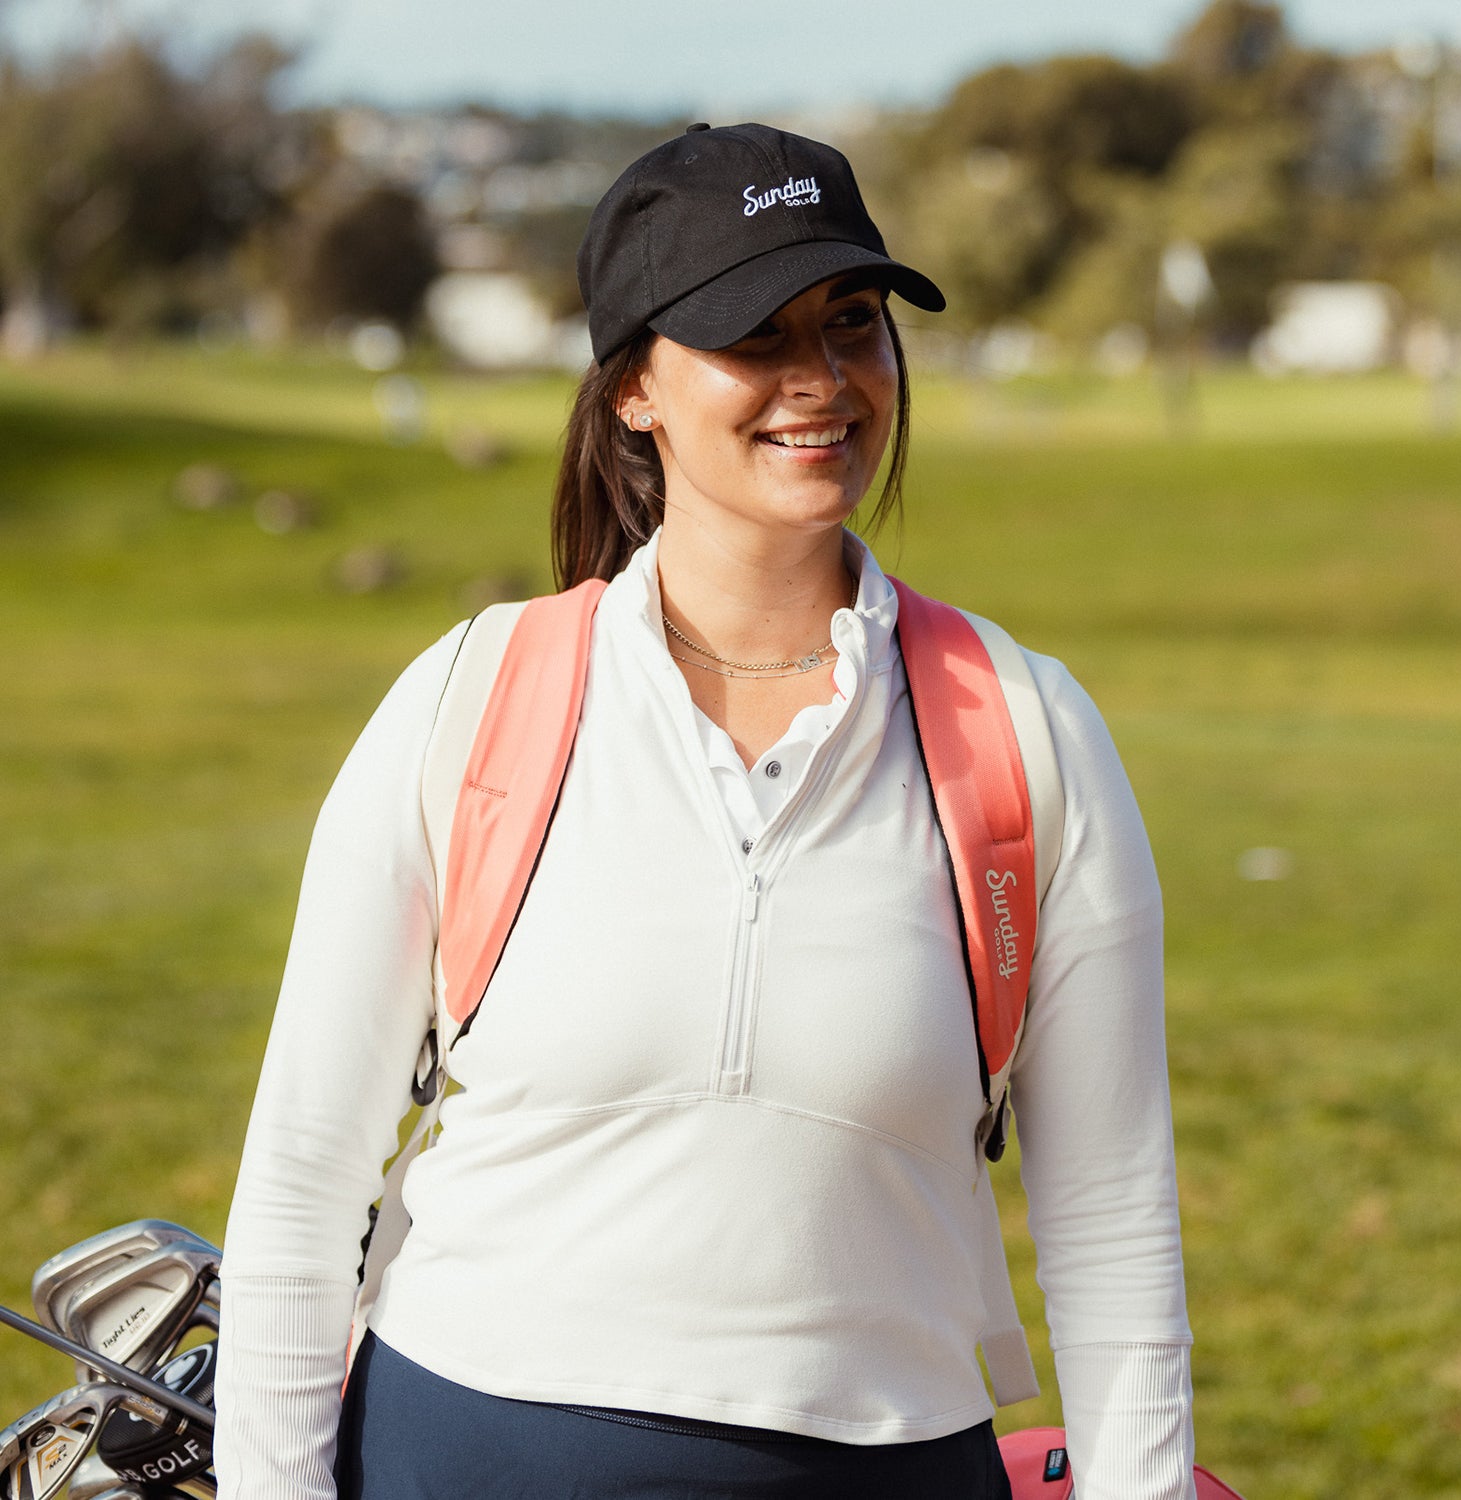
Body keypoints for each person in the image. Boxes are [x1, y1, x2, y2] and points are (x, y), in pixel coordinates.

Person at [215, 122, 1195, 1500]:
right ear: (634, 388)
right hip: (464, 1455)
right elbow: (303, 1177)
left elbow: (1113, 1220)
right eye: (756, 332)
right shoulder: (472, 698)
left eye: (852, 321)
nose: (823, 379)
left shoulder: (1028, 727)